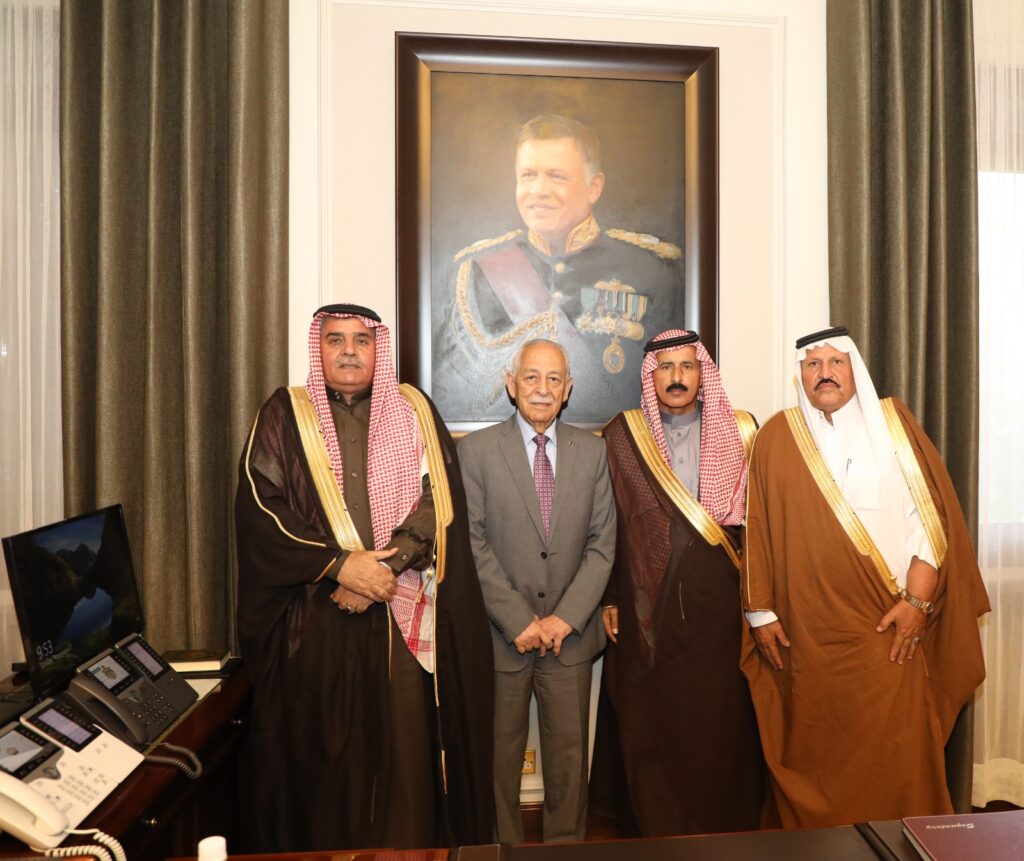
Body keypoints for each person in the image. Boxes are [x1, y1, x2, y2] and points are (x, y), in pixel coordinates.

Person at [235, 303, 494, 851]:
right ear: (319, 347)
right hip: (316, 614)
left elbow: (439, 498)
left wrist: (384, 568)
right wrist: (339, 567)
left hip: (401, 608)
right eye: (336, 340)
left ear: (379, 348)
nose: (349, 351)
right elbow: (262, 506)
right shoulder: (286, 413)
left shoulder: (413, 410)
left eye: (361, 340)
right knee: (326, 756)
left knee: (405, 753)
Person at [741, 326, 990, 828]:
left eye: (836, 362)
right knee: (816, 749)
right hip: (806, 633)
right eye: (813, 365)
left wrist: (917, 605)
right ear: (800, 375)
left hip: (887, 626)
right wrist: (760, 612)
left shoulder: (894, 426)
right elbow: (757, 526)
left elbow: (930, 524)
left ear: (855, 368)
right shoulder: (777, 436)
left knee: (897, 749)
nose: (825, 373)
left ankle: (904, 844)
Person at [589, 329, 765, 836]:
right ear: (651, 376)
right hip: (646, 601)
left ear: (702, 373)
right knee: (653, 717)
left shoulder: (741, 429)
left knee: (718, 717)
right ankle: (655, 827)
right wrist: (611, 596)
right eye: (665, 367)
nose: (677, 377)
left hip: (720, 604)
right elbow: (609, 523)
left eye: (687, 366)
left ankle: (723, 825)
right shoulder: (624, 436)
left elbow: (761, 528)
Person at [459, 338, 616, 843]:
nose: (542, 389)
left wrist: (564, 618)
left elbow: (602, 545)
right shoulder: (476, 452)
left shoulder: (593, 452)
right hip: (500, 638)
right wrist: (518, 620)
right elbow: (471, 544)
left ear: (568, 389)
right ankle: (501, 852)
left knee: (569, 767)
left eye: (553, 379)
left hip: (570, 640)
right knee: (498, 766)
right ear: (511, 384)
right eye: (531, 377)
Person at [435, 114, 684, 424]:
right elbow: (450, 389)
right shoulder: (476, 272)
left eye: (557, 176)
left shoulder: (651, 270)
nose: (538, 190)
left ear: (594, 187)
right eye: (528, 175)